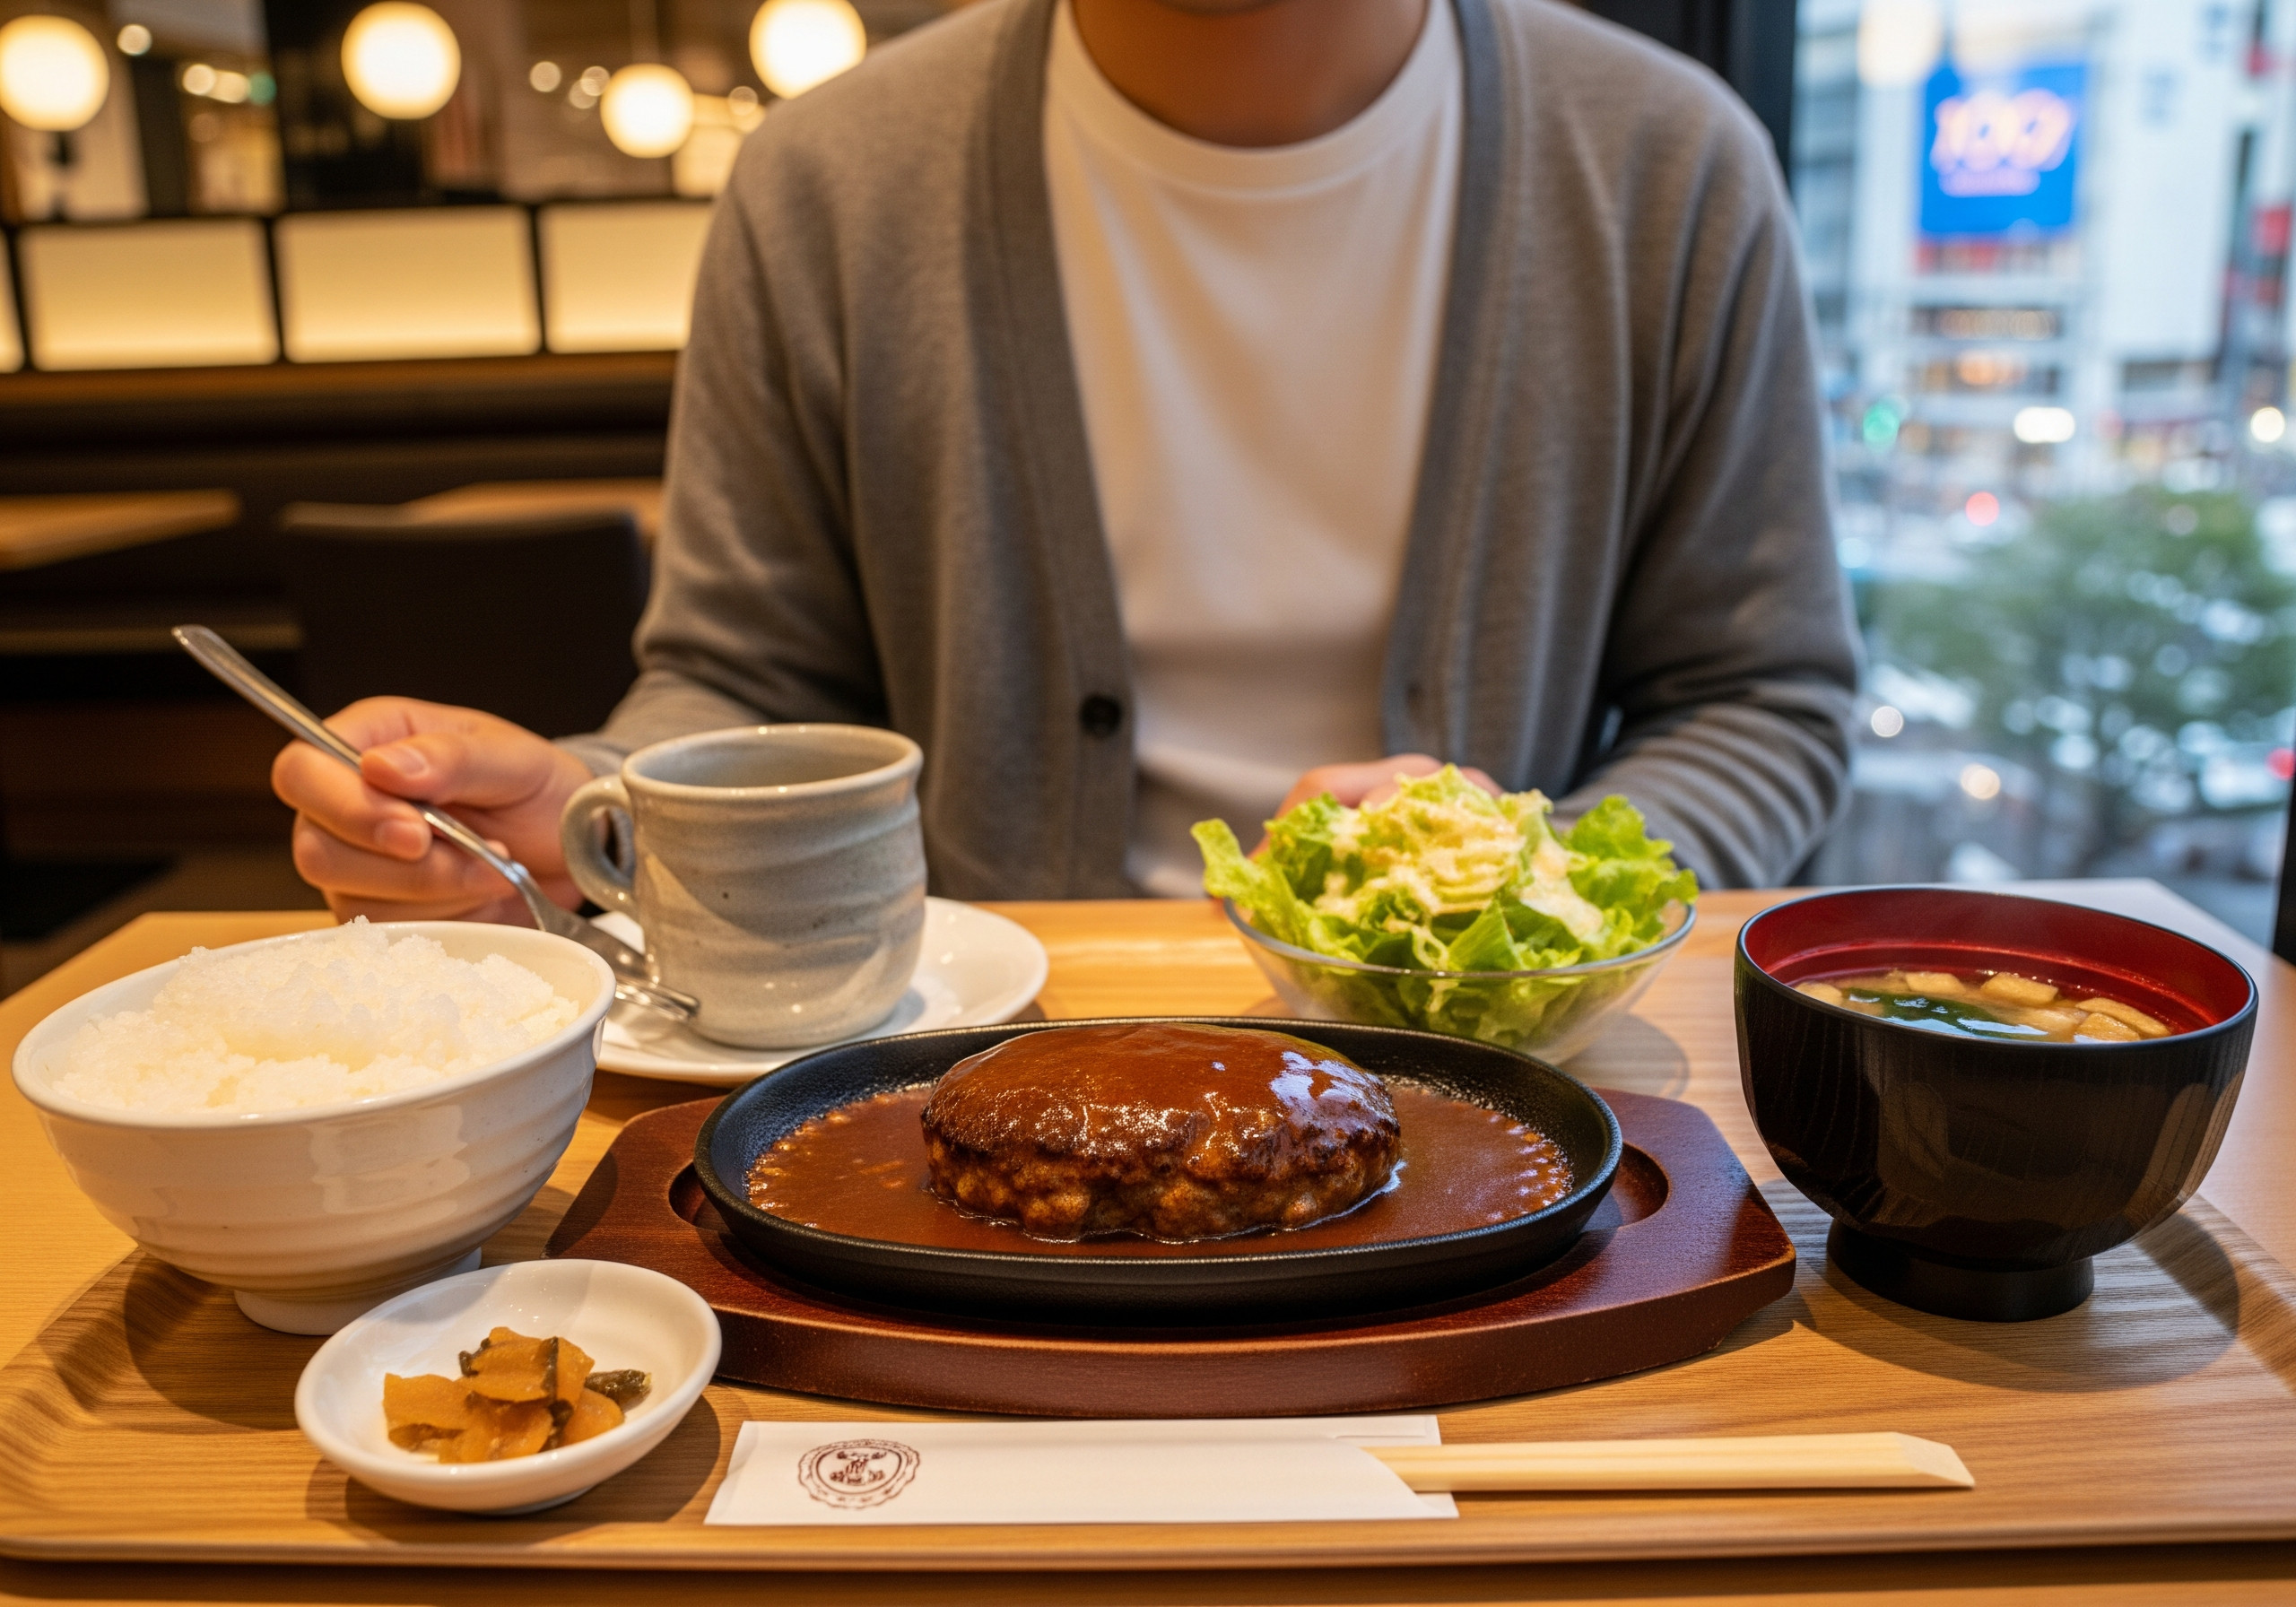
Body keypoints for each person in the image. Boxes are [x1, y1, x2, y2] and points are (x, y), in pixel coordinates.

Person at [274, 0, 1858, 925]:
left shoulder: (1665, 166)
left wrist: (1512, 890)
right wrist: (596, 813)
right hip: (966, 1072)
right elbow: (745, 680)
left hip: (1498, 1092)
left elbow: (1761, 699)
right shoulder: (830, 181)